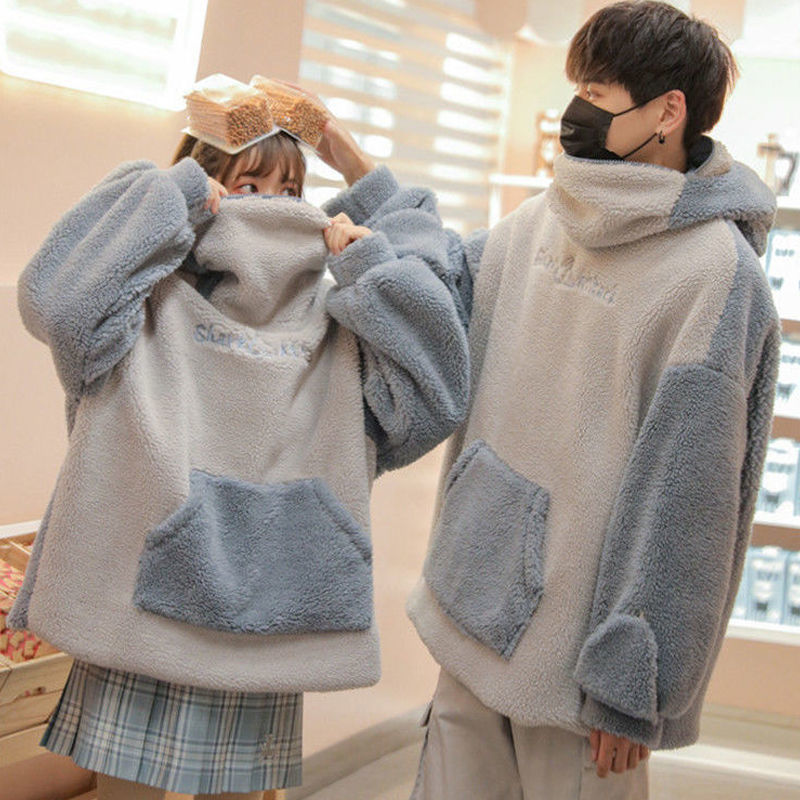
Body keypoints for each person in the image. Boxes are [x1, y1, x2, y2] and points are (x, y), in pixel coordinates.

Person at [314, 2, 781, 797]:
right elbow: (446, 295)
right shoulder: (544, 216)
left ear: (668, 112)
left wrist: (633, 684)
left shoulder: (715, 275)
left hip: (582, 668)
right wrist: (356, 173)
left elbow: (688, 501)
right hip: (474, 605)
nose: (576, 111)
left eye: (597, 93)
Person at [9, 114, 469, 800]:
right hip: (138, 621)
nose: (271, 208)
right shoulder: (144, 300)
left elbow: (436, 391)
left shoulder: (340, 316)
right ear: (206, 187)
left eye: (290, 192)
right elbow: (57, 303)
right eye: (248, 185)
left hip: (268, 617)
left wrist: (368, 241)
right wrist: (169, 197)